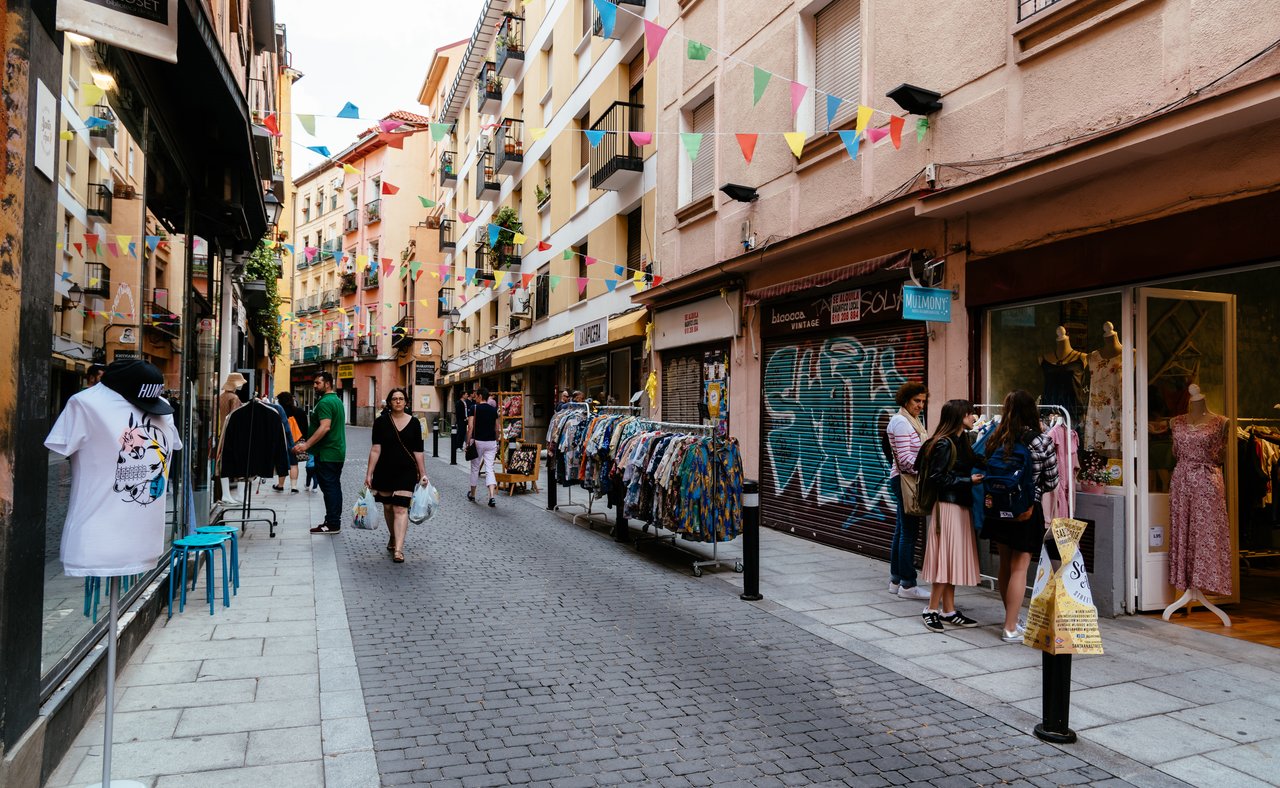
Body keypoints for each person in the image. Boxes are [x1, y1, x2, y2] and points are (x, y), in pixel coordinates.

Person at [982, 389, 1058, 643]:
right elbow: (1052, 480)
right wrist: (1035, 490)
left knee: (1005, 564)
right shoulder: (1041, 440)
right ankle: (1010, 627)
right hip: (1025, 510)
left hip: (997, 510)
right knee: (1020, 567)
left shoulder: (996, 437)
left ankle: (1011, 617)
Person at [918, 399, 984, 632]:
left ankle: (948, 609)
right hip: (947, 507)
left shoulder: (962, 439)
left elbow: (976, 460)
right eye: (970, 414)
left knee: (952, 558)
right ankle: (931, 609)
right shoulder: (945, 444)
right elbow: (937, 478)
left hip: (958, 505)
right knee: (945, 558)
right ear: (960, 416)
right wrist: (968, 480)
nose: (974, 417)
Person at [365, 387, 428, 563]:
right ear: (390, 402)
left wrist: (423, 474)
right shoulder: (381, 422)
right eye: (395, 399)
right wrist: (369, 474)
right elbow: (376, 449)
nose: (398, 401)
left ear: (406, 402)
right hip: (384, 470)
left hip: (406, 470)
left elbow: (419, 451)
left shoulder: (415, 423)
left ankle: (399, 549)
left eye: (401, 399)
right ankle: (393, 536)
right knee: (388, 508)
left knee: (400, 508)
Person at [886, 382, 930, 600]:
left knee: (901, 531)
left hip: (904, 480)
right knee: (909, 533)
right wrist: (927, 470)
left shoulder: (911, 420)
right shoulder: (902, 422)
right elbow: (904, 460)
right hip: (906, 480)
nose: (920, 405)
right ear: (905, 400)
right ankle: (908, 584)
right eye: (916, 401)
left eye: (923, 401)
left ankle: (896, 580)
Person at [295, 372, 347, 534]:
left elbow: (325, 427)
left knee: (330, 488)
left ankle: (332, 524)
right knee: (334, 487)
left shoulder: (325, 402)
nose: (315, 386)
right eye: (315, 383)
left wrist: (306, 445)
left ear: (328, 384)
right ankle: (333, 521)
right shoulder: (336, 401)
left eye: (318, 383)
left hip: (327, 453)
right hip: (336, 451)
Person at [467, 387, 500, 507]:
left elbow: (470, 427)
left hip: (477, 442)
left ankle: (473, 494)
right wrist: (496, 440)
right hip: (491, 442)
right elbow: (497, 428)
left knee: (475, 468)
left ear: (481, 396)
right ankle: (491, 496)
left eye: (476, 395)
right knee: (489, 468)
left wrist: (467, 442)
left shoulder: (473, 408)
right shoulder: (493, 410)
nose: (475, 397)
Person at [272, 392, 303, 494]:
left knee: (282, 462)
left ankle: (280, 485)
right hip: (296, 440)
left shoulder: (277, 411)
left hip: (282, 441)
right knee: (294, 463)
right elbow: (305, 427)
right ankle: (293, 487)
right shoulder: (299, 411)